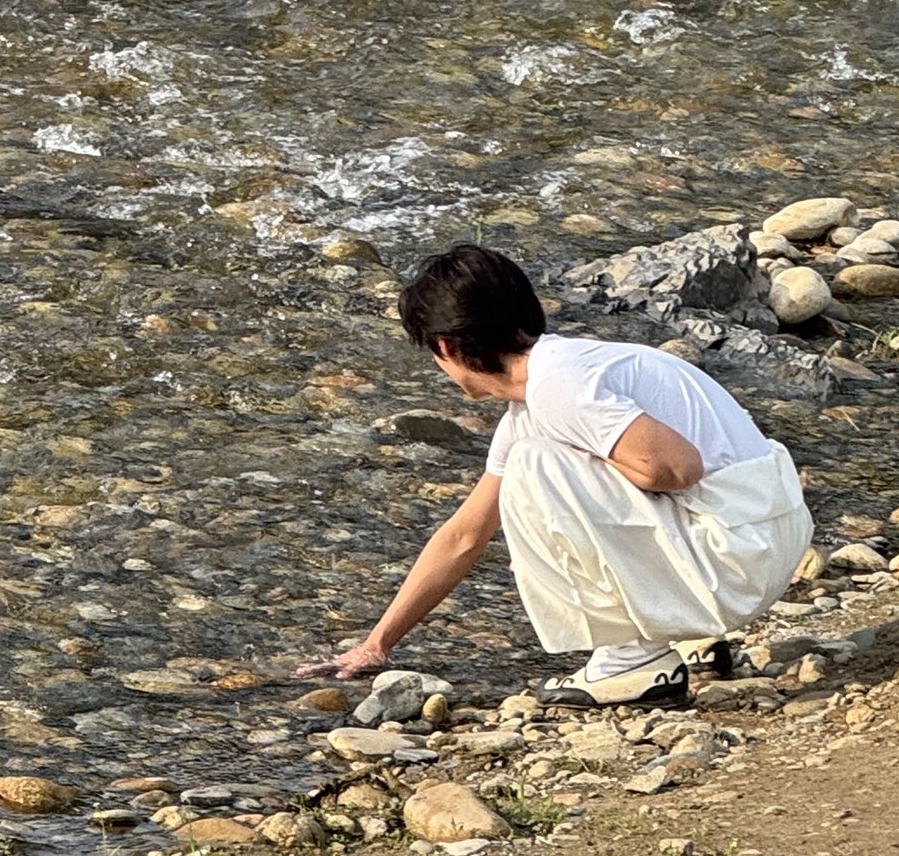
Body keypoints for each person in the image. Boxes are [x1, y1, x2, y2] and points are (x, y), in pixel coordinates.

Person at [300, 242, 813, 711]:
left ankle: (631, 659)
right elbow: (464, 536)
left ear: (446, 348)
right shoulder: (560, 378)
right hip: (760, 538)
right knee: (534, 459)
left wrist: (579, 455)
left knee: (533, 467)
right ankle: (677, 633)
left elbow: (676, 468)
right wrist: (377, 644)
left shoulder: (559, 387)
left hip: (742, 561)